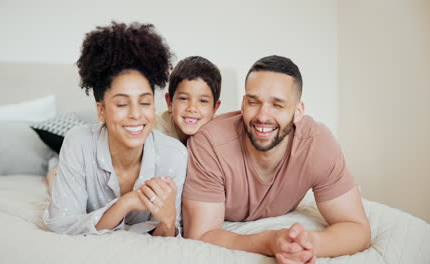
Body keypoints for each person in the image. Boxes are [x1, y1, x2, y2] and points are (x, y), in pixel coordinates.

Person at [182, 55, 370, 263]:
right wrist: (270, 242)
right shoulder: (209, 144)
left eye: (277, 105)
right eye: (254, 102)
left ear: (298, 112)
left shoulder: (317, 145)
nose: (263, 116)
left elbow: (358, 229)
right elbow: (201, 235)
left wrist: (306, 244)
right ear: (243, 105)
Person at [43, 21, 187, 237]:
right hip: (77, 152)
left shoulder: (174, 156)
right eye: (121, 104)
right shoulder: (77, 143)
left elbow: (166, 236)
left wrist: (166, 221)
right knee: (53, 178)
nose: (136, 114)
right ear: (101, 110)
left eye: (145, 103)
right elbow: (61, 224)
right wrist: (126, 202)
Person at [155, 56, 221, 144]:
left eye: (203, 101)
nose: (192, 108)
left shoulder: (222, 131)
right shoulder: (153, 130)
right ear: (170, 102)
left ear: (215, 108)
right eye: (184, 98)